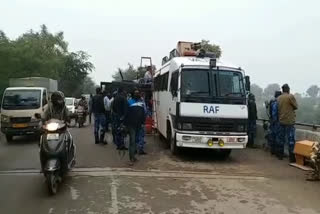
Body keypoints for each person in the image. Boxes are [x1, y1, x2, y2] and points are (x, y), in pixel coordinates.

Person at [277, 84, 298, 162]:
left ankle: (280, 155)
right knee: (291, 139)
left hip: (281, 120)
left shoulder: (278, 98)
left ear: (282, 90)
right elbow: (296, 106)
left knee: (281, 138)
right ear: (288, 89)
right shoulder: (290, 97)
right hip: (289, 121)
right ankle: (292, 158)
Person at [125, 88, 146, 165]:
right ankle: (131, 158)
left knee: (136, 140)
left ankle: (133, 156)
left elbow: (143, 113)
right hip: (131, 125)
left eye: (138, 93)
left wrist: (143, 122)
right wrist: (125, 125)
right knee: (132, 141)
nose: (137, 94)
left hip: (139, 125)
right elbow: (126, 114)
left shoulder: (141, 103)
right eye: (135, 93)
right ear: (133, 94)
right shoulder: (129, 102)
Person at [269, 91, 282, 156]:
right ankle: (277, 152)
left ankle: (272, 151)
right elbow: (274, 113)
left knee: (272, 136)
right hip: (276, 122)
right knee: (278, 137)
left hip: (272, 121)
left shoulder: (272, 101)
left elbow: (270, 113)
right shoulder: (277, 102)